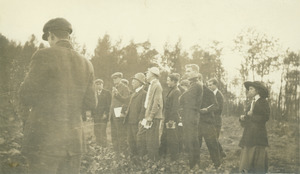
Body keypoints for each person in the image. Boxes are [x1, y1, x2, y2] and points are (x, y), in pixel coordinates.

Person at [19, 18, 97, 174]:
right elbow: (91, 103)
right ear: (68, 37)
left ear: (51, 36)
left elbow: (26, 95)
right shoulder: (86, 63)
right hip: (74, 144)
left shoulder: (43, 55)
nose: (49, 42)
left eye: (48, 39)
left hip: (44, 141)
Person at [239, 81, 270, 173]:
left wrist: (251, 115)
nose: (249, 90)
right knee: (247, 155)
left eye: (251, 89)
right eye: (249, 89)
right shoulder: (251, 102)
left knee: (257, 158)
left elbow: (265, 117)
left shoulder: (263, 102)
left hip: (258, 135)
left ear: (257, 90)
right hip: (249, 133)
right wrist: (243, 118)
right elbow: (248, 117)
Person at [179, 64, 203, 169]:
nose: (186, 73)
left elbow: (184, 98)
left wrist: (182, 96)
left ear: (196, 73)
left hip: (191, 116)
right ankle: (193, 163)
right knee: (190, 140)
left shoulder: (196, 85)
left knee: (192, 140)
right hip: (190, 115)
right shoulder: (193, 84)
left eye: (189, 71)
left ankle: (194, 164)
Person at [139, 67, 163, 161]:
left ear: (153, 74)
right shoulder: (151, 85)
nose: (146, 75)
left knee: (153, 138)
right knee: (149, 137)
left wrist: (151, 116)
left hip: (153, 117)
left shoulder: (157, 85)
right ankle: (151, 158)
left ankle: (154, 159)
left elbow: (156, 103)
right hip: (149, 116)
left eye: (148, 73)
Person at [198, 75, 221, 168]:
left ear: (200, 80)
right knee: (196, 144)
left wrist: (207, 110)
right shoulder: (192, 91)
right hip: (196, 122)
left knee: (212, 144)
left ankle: (217, 164)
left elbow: (216, 106)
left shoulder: (208, 92)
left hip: (207, 122)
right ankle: (196, 164)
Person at [123, 73, 147, 160]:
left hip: (136, 122)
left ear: (139, 83)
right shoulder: (134, 93)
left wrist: (140, 120)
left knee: (139, 141)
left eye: (134, 81)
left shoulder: (144, 93)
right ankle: (133, 159)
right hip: (130, 121)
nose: (132, 83)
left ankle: (140, 158)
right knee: (131, 141)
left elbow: (143, 108)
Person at [159, 73, 181, 161]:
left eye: (168, 80)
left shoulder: (176, 91)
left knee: (172, 138)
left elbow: (175, 107)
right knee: (165, 136)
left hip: (172, 119)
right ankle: (162, 155)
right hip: (168, 118)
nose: (167, 82)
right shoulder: (172, 90)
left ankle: (174, 158)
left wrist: (171, 120)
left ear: (174, 81)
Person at [109, 72, 130, 156]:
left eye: (116, 78)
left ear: (120, 78)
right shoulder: (114, 88)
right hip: (113, 113)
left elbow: (126, 101)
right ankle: (116, 152)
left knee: (121, 133)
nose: (115, 80)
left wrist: (122, 112)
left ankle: (123, 152)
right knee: (114, 133)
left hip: (119, 112)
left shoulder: (124, 88)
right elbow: (113, 102)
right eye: (113, 79)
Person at [207, 78, 226, 158]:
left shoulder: (219, 95)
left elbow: (219, 109)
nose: (209, 87)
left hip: (216, 120)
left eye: (211, 85)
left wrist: (208, 110)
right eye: (208, 85)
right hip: (211, 119)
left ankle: (219, 155)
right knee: (212, 138)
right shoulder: (210, 94)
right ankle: (221, 153)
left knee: (214, 138)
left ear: (215, 85)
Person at [92, 79, 111, 147]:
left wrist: (106, 113)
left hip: (103, 115)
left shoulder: (107, 93)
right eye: (97, 84)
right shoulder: (94, 93)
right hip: (96, 116)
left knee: (102, 130)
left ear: (103, 84)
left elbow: (109, 105)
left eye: (100, 84)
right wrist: (93, 115)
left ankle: (104, 145)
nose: (99, 85)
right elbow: (93, 105)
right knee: (96, 130)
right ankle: (98, 145)